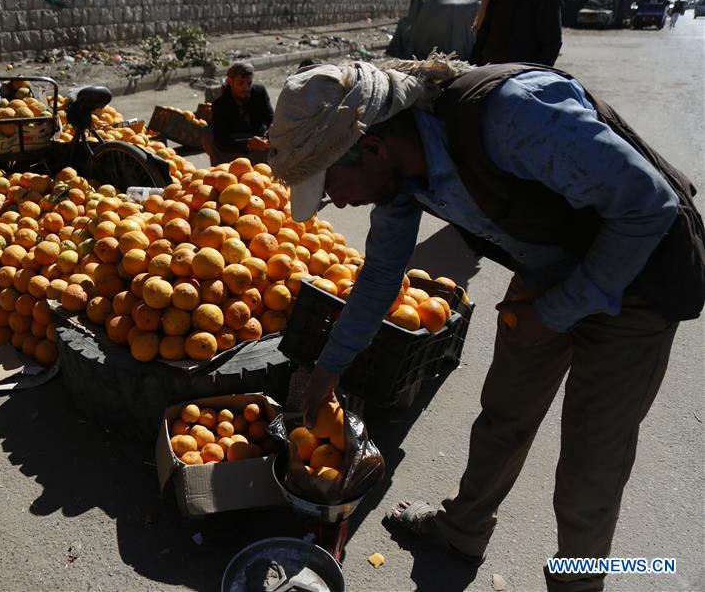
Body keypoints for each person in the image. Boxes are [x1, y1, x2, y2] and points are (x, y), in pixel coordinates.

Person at [267, 58, 704, 592]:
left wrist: (555, 312)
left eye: (336, 188)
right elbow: (382, 273)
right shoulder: (399, 174)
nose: (345, 204)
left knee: (591, 464)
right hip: (548, 266)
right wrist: (329, 367)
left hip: (636, 277)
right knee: (503, 416)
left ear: (374, 147)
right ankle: (461, 531)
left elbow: (648, 207)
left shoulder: (514, 116)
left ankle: (579, 582)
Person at [201, 62, 273, 165]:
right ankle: (226, 169)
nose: (246, 88)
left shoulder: (259, 92)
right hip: (234, 142)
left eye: (249, 83)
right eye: (241, 83)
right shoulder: (221, 103)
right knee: (208, 135)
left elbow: (271, 119)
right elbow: (221, 141)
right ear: (231, 82)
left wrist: (271, 132)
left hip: (258, 137)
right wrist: (247, 143)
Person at [471, 0, 563, 66]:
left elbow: (552, 45)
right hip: (488, 73)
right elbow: (482, 36)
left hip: (519, 78)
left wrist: (532, 79)